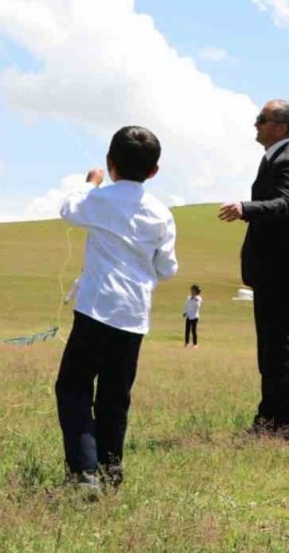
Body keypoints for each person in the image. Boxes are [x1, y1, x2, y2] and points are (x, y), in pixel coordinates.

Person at [54, 126, 177, 497]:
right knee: (115, 396)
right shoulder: (160, 213)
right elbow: (168, 268)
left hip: (95, 308)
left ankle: (85, 470)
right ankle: (110, 471)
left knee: (73, 388)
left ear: (110, 165)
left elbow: (67, 210)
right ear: (154, 171)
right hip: (133, 316)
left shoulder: (100, 198)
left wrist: (89, 183)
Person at [218, 100, 289, 440]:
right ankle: (268, 418)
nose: (255, 124)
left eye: (262, 119)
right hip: (272, 269)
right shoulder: (273, 158)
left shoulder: (287, 161)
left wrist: (245, 207)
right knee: (270, 348)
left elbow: (285, 204)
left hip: (281, 270)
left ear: (281, 128)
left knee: (277, 349)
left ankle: (278, 425)